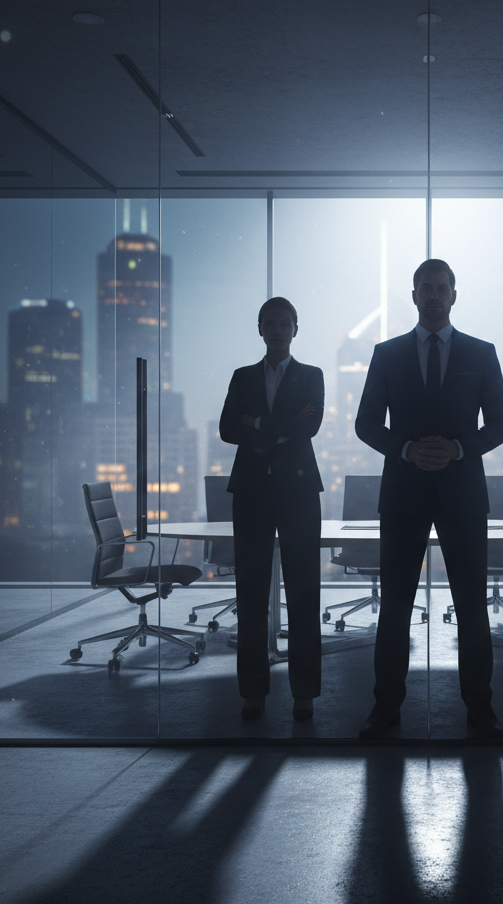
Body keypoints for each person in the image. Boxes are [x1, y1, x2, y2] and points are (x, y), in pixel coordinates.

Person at [354, 259, 503, 738]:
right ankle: (385, 709)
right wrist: (405, 449)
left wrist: (459, 449)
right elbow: (365, 423)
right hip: (404, 491)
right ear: (414, 295)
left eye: (442, 288)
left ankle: (480, 710)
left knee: (471, 606)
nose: (434, 295)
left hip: (462, 493)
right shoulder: (387, 353)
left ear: (454, 295)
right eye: (426, 288)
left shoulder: (481, 353)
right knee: (396, 605)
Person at [219, 296, 324, 722]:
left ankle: (304, 692)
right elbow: (228, 428)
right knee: (250, 593)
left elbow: (309, 426)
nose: (278, 330)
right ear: (260, 329)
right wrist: (279, 428)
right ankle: (253, 691)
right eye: (270, 324)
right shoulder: (242, 376)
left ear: (296, 329)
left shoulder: (311, 375)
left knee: (304, 592)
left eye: (285, 324)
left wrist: (256, 423)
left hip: (298, 492)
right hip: (251, 491)